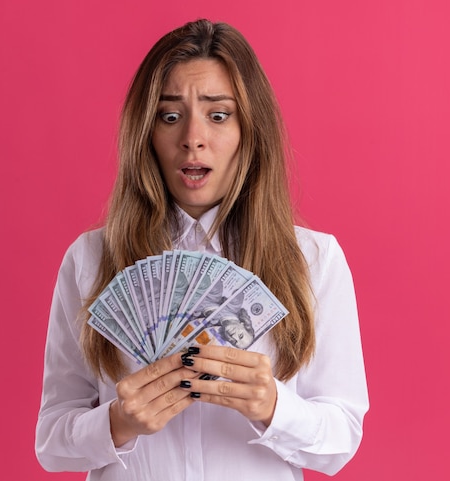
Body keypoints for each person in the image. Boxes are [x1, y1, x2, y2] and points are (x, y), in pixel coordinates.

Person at [35, 19, 369, 481]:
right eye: (170, 116)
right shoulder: (90, 259)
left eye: (218, 115)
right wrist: (117, 423)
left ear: (250, 132)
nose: (193, 137)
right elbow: (51, 443)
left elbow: (341, 440)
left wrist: (273, 406)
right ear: (146, 134)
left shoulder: (315, 260)